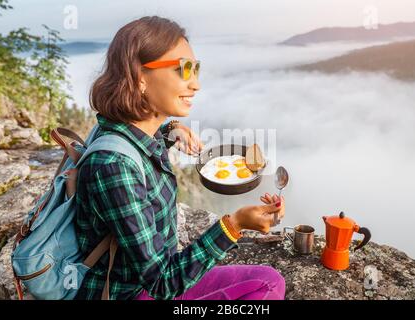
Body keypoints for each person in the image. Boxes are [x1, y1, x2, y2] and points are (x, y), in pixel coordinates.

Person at [75, 16, 286, 300]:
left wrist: (172, 129)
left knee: (269, 281)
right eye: (184, 69)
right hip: (128, 293)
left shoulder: (126, 130)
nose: (196, 84)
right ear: (140, 77)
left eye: (196, 69)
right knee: (265, 290)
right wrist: (234, 224)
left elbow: (139, 143)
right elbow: (162, 284)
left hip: (146, 281)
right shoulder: (114, 167)